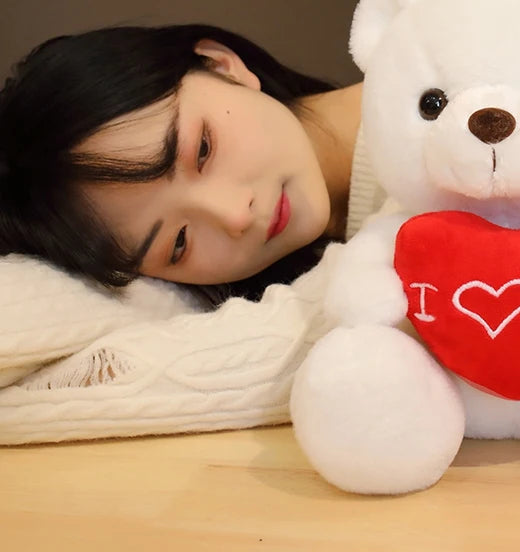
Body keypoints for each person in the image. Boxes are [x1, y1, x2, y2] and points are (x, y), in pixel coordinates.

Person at [0, 23, 388, 444]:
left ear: (221, 65)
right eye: (179, 243)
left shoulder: (437, 129)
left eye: (203, 150)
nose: (235, 215)